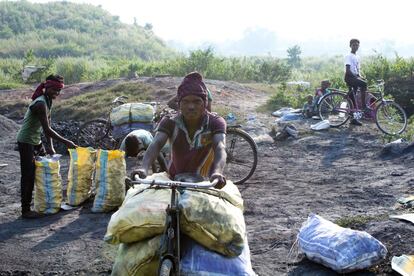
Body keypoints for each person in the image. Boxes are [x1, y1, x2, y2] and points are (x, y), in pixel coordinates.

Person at [133, 72, 227, 189]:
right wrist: (144, 167)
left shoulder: (215, 122)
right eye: (185, 101)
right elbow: (156, 144)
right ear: (179, 104)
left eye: (197, 101)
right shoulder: (170, 121)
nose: (191, 106)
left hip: (206, 183)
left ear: (205, 103)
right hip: (173, 180)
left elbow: (220, 147)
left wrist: (218, 172)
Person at [16, 74, 77, 218]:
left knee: (45, 171)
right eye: (55, 90)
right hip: (26, 141)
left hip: (36, 140)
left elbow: (47, 125)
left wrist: (50, 146)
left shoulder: (48, 101)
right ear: (47, 87)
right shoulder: (40, 103)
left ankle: (46, 202)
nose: (57, 93)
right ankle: (25, 210)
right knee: (28, 175)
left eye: (59, 90)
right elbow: (48, 130)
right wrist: (66, 142)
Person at [344, 38, 367, 126]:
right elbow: (348, 70)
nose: (355, 46)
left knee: (352, 98)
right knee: (364, 85)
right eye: (354, 45)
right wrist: (356, 77)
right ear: (350, 46)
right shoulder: (348, 56)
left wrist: (360, 77)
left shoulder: (357, 57)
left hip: (354, 77)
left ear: (358, 46)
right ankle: (364, 105)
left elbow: (357, 70)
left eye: (357, 45)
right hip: (349, 77)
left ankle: (353, 119)